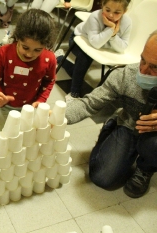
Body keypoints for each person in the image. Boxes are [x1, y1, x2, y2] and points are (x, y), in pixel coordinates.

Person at [65, 30, 157, 198]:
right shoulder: (124, 76)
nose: (143, 70)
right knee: (103, 177)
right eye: (143, 59)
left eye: (154, 67)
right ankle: (112, 126)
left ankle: (146, 168)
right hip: (130, 125)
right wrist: (57, 116)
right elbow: (90, 103)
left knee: (153, 145)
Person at [0, 9, 57, 148]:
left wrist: (40, 101)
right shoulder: (4, 52)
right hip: (4, 107)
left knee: (24, 146)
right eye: (25, 47)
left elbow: (49, 81)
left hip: (30, 108)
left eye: (37, 50)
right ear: (18, 38)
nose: (30, 54)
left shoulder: (50, 59)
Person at [56, 0, 132, 102]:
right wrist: (111, 28)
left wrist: (113, 35)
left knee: (77, 71)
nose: (110, 15)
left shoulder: (127, 22)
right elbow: (95, 43)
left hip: (101, 46)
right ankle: (74, 92)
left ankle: (60, 58)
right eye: (107, 9)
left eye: (117, 12)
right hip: (78, 40)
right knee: (84, 58)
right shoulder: (95, 16)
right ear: (102, 5)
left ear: (125, 11)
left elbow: (123, 47)